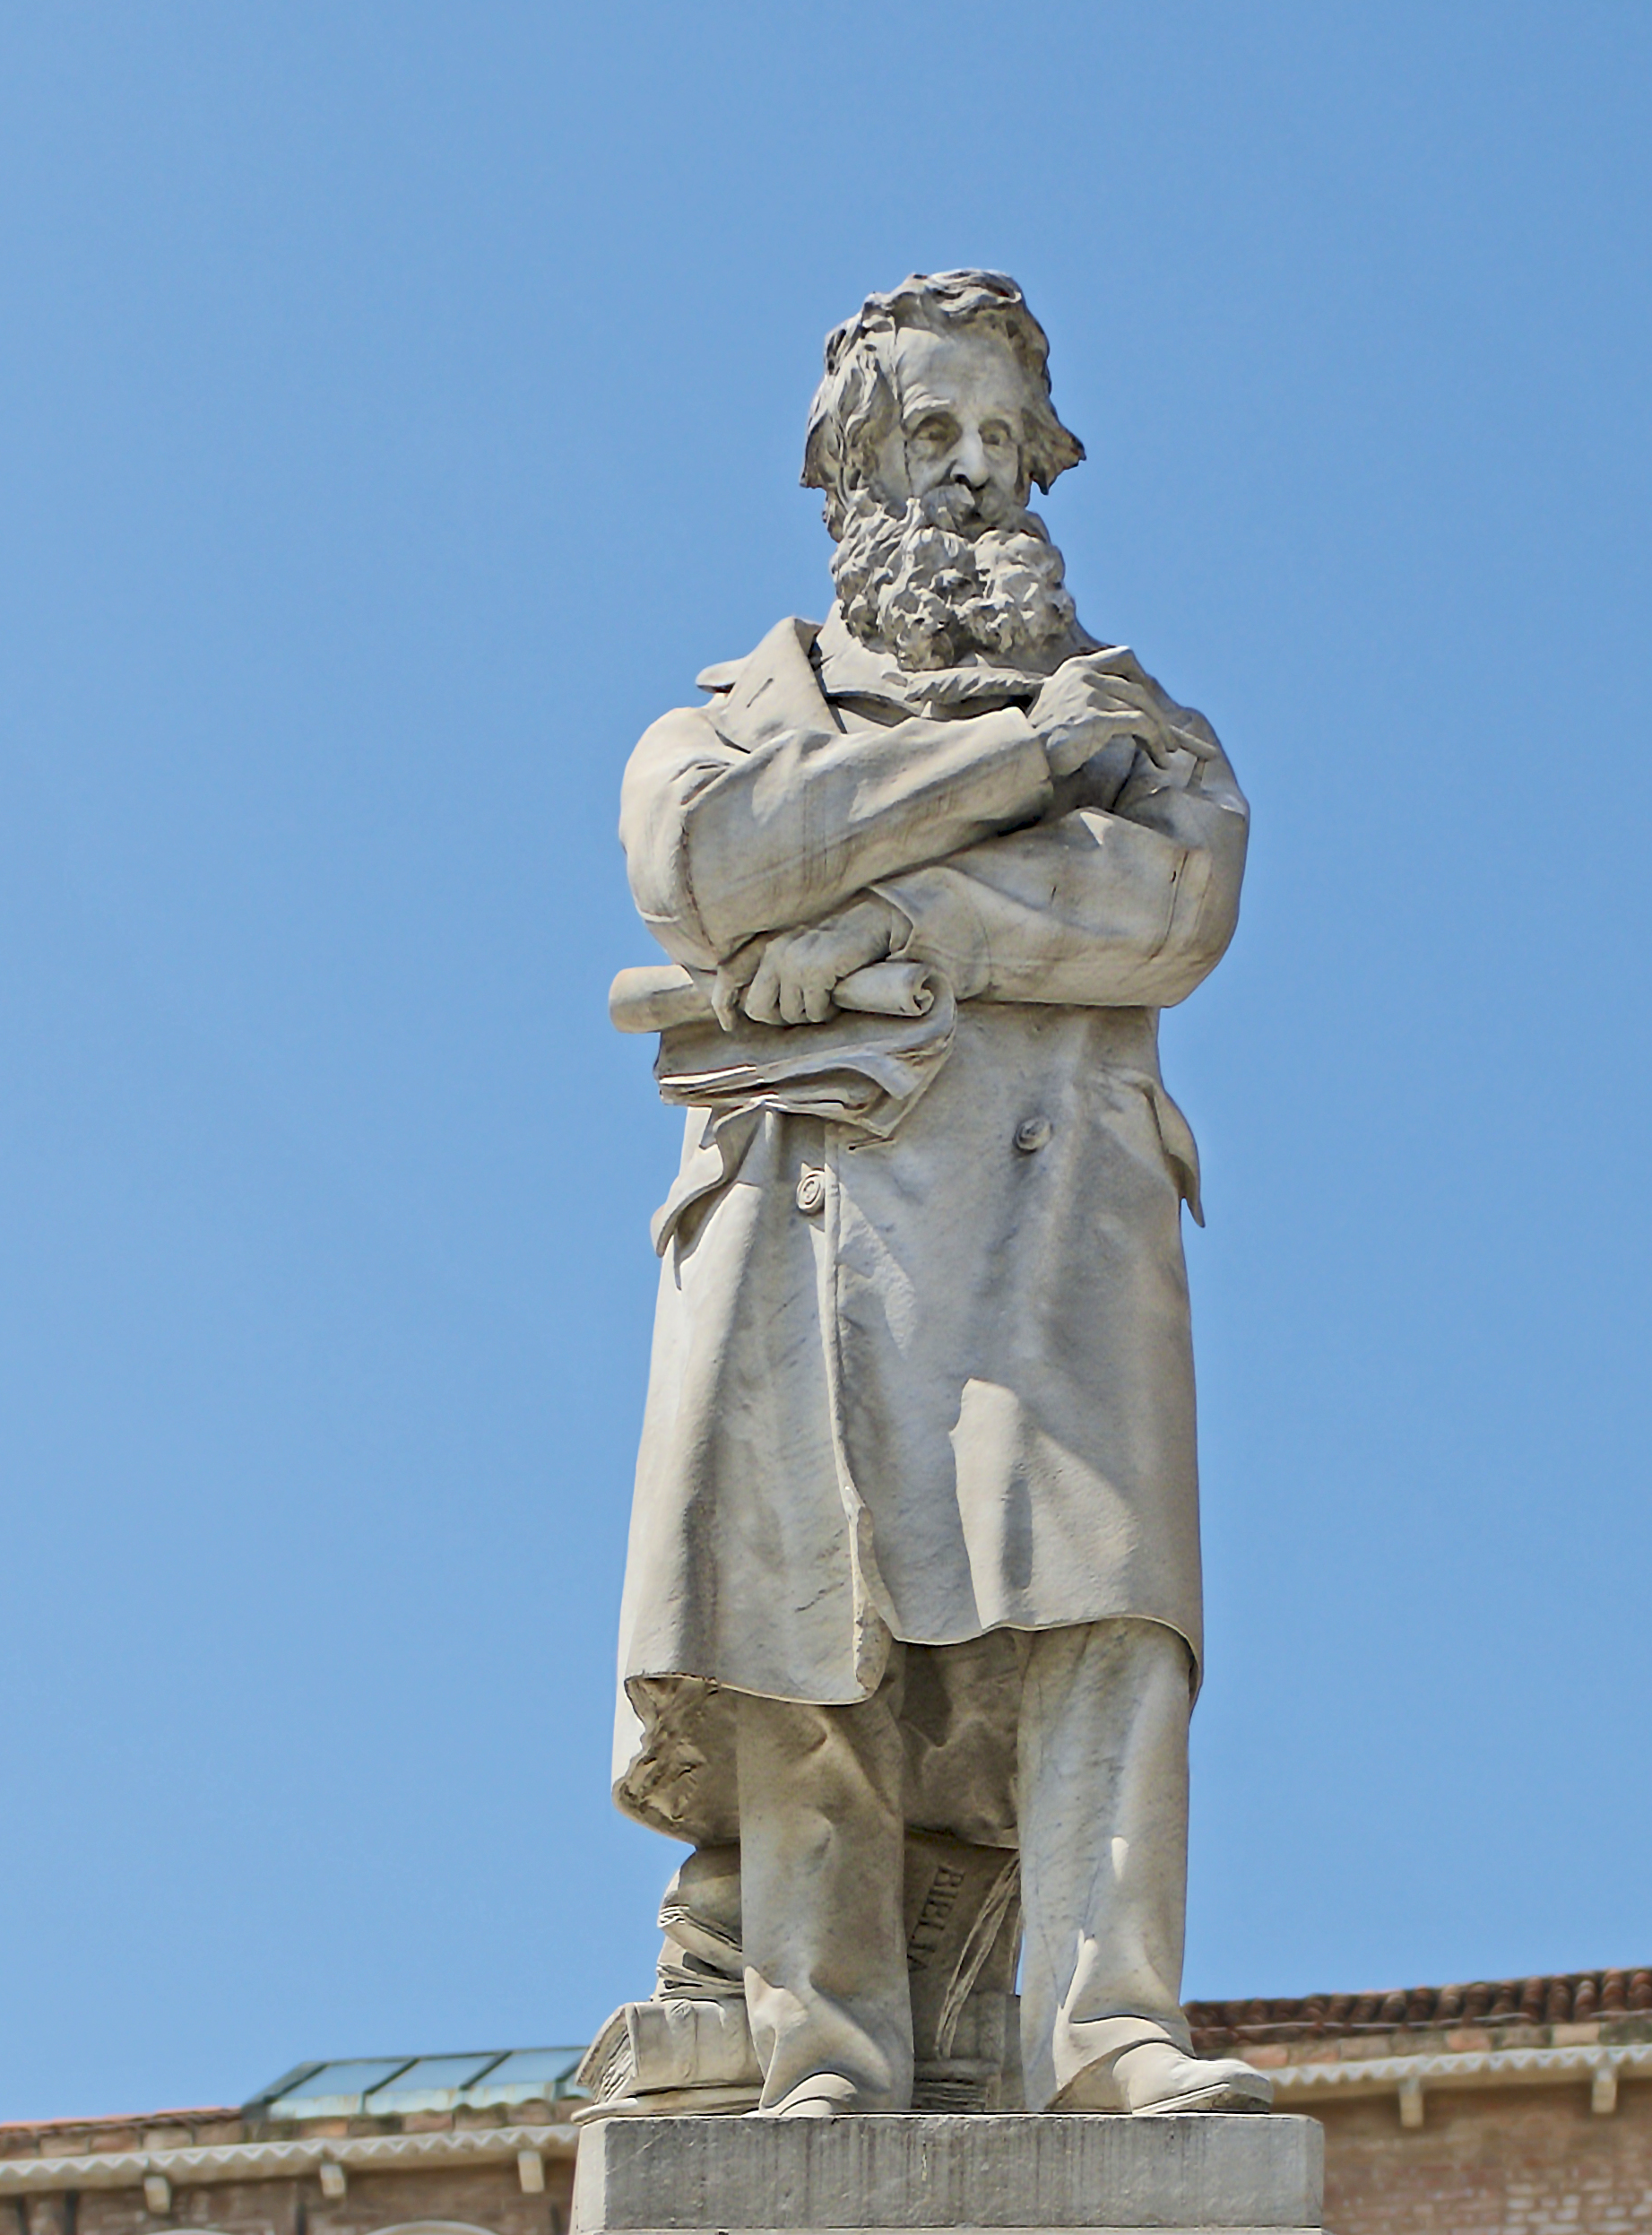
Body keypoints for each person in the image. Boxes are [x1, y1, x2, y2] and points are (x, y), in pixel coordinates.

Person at [594, 270, 1268, 2122]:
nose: (974, 483)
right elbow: (719, 865)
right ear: (846, 474)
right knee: (803, 1620)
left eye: (1003, 442)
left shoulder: (1153, 729)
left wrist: (890, 919)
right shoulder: (720, 724)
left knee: (1104, 1606)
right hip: (809, 1211)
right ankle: (827, 2044)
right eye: (930, 439)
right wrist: (1027, 769)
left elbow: (1165, 909)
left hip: (1066, 1209)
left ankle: (1107, 2024)